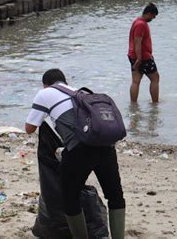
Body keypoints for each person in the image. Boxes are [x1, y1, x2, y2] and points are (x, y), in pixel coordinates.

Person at [25, 69, 126, 239]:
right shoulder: (79, 94)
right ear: (65, 81)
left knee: (70, 198)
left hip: (80, 150)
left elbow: (29, 128)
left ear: (46, 84)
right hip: (106, 147)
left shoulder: (45, 94)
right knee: (115, 195)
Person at [128, 3, 159, 103]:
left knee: (136, 81)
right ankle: (155, 103)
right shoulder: (141, 24)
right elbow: (138, 41)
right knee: (155, 78)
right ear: (149, 13)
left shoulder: (137, 21)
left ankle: (133, 105)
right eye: (153, 16)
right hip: (143, 57)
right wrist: (139, 59)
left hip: (133, 55)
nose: (153, 18)